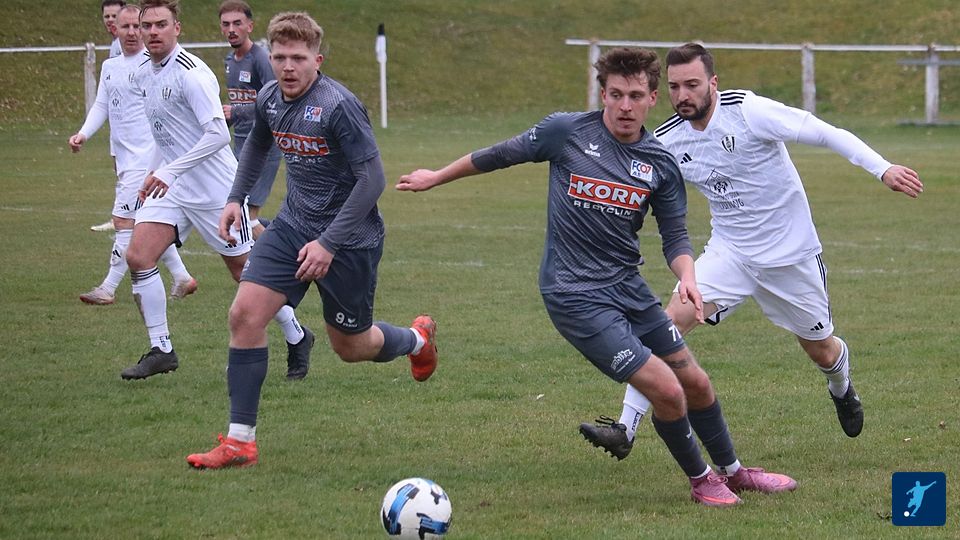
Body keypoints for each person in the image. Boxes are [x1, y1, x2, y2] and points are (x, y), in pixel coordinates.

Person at [396, 47, 794, 506]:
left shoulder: (660, 163)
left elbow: (675, 235)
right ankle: (702, 481)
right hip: (574, 294)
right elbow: (499, 155)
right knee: (665, 388)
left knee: (696, 383)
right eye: (616, 95)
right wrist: (436, 176)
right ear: (603, 94)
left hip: (627, 287)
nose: (625, 106)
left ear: (652, 99)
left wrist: (688, 275)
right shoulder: (566, 132)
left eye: (636, 96)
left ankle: (734, 472)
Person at [580, 43, 923, 459]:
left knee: (821, 348)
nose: (683, 95)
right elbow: (629, 179)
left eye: (692, 84)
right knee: (667, 326)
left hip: (791, 257)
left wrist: (882, 168)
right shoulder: (667, 141)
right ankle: (625, 428)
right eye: (674, 87)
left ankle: (841, 386)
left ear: (713, 83)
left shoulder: (748, 111)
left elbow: (824, 131)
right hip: (731, 254)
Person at [186, 12, 438, 470]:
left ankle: (416, 340)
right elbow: (257, 144)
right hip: (292, 227)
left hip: (350, 239)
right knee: (244, 315)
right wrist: (236, 197)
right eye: (280, 56)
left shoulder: (338, 106)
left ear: (317, 60)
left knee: (351, 347)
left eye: (298, 58)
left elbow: (373, 179)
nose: (288, 67)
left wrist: (329, 244)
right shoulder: (269, 97)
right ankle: (240, 442)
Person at [123, 0, 314, 381]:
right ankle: (162, 349)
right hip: (175, 187)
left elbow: (217, 135)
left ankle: (297, 335)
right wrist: (152, 173)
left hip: (216, 190)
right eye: (147, 26)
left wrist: (169, 171)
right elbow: (164, 132)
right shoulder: (144, 73)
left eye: (161, 24)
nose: (153, 32)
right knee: (139, 256)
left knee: (246, 274)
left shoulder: (192, 73)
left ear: (177, 28)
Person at [69, 4, 197, 306]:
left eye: (136, 26)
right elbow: (102, 105)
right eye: (123, 26)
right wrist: (83, 133)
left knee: (123, 221)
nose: (130, 32)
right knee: (147, 221)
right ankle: (182, 276)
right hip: (124, 158)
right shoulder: (110, 66)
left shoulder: (152, 66)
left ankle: (108, 288)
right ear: (114, 28)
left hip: (146, 159)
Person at [218, 0, 282, 239]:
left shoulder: (261, 59)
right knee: (237, 213)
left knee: (248, 217)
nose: (231, 29)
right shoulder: (230, 61)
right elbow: (240, 103)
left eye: (237, 23)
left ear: (250, 26)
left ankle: (285, 256)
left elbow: (275, 101)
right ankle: (284, 239)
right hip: (240, 146)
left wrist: (236, 112)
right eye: (226, 24)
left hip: (263, 146)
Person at [89, 0, 127, 233]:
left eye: (115, 15)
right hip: (118, 121)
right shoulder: (115, 45)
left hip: (133, 124)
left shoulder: (130, 45)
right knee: (119, 167)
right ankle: (121, 213)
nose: (110, 20)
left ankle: (124, 215)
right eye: (107, 16)